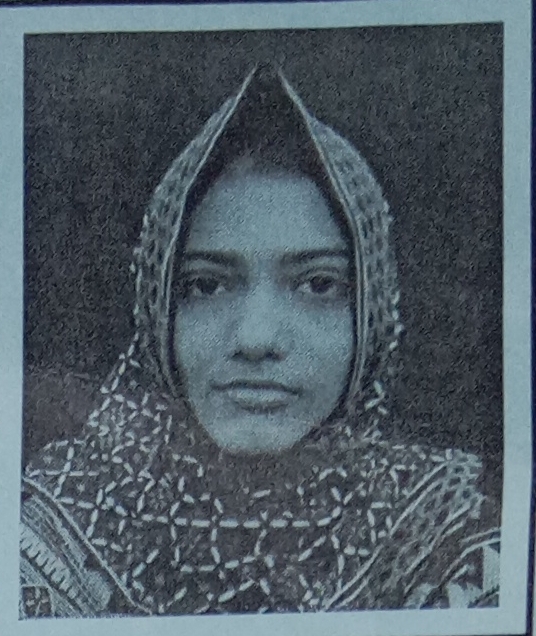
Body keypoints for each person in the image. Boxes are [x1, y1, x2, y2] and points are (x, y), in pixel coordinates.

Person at [19, 66, 500, 618]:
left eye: (317, 285)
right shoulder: (54, 536)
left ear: (371, 315)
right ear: (157, 311)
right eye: (206, 285)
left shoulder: (449, 540)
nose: (255, 338)